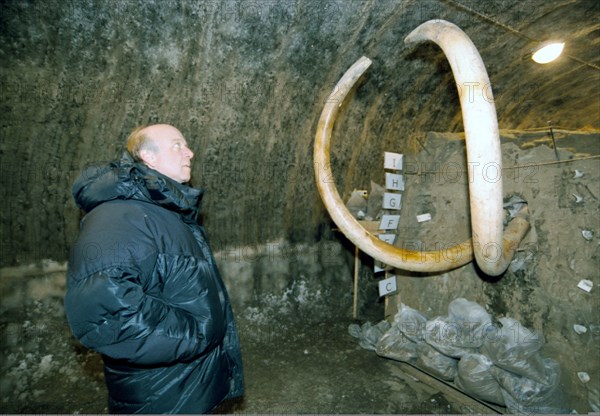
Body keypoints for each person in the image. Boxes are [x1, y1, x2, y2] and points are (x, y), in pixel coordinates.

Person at [64, 124, 244, 413]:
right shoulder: (121, 215)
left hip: (185, 384)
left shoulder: (164, 212)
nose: (190, 152)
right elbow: (108, 313)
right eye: (176, 145)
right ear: (149, 156)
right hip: (160, 392)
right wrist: (196, 334)